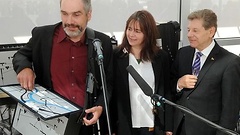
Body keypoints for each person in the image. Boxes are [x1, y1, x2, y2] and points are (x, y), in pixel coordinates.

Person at [12, 0, 113, 134]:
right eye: (64, 14)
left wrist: (100, 107)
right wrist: (24, 68)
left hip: (85, 125)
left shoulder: (101, 42)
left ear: (89, 15)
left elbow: (109, 83)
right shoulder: (42, 36)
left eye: (76, 15)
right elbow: (20, 56)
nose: (69, 21)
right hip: (48, 123)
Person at [171, 9, 240, 135]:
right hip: (180, 128)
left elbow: (230, 110)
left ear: (211, 31)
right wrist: (179, 84)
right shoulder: (183, 54)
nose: (189, 34)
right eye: (188, 30)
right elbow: (170, 88)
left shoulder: (230, 62)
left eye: (195, 30)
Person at [111, 10, 173, 135]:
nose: (131, 34)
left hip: (153, 125)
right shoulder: (117, 56)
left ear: (148, 33)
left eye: (137, 31)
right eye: (129, 29)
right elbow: (112, 94)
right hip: (125, 125)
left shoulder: (161, 57)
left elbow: (167, 92)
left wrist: (169, 128)